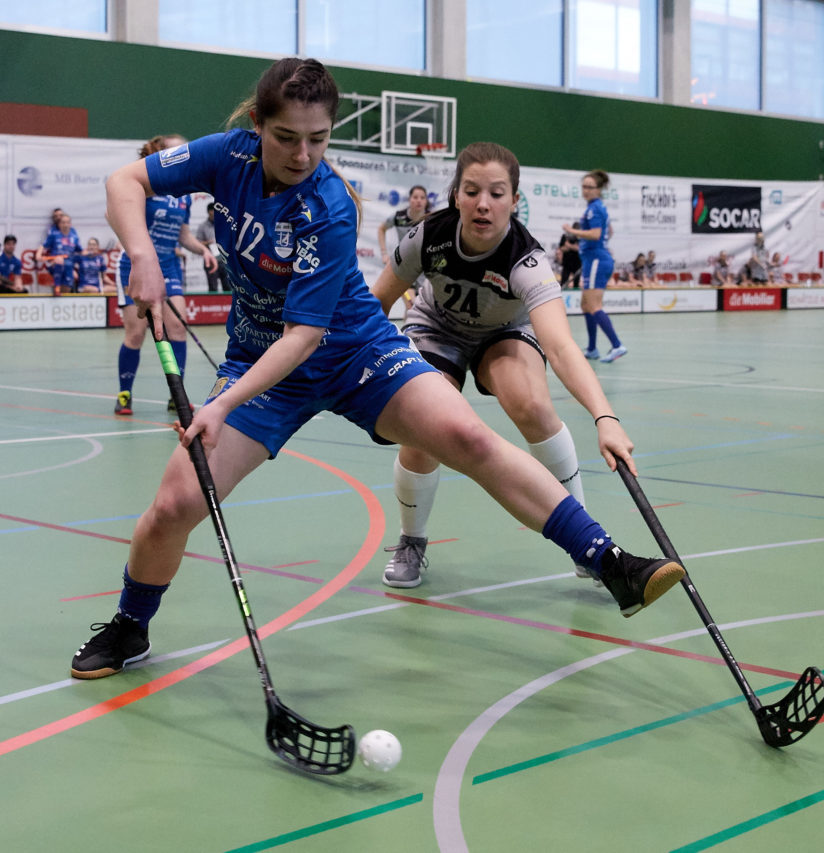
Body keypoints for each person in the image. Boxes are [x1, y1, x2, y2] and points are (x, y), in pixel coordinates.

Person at [69, 58, 682, 679]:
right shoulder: (226, 156)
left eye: (319, 139)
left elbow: (305, 336)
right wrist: (141, 254)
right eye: (286, 137)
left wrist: (221, 404)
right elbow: (126, 182)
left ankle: (611, 563)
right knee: (176, 503)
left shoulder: (330, 206)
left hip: (356, 351)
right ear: (257, 125)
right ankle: (130, 627)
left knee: (467, 435)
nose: (303, 154)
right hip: (260, 364)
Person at [370, 141, 638, 587]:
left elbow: (562, 347)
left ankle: (586, 537)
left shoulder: (527, 260)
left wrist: (604, 417)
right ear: (455, 195)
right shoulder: (426, 236)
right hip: (437, 327)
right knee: (423, 427)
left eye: (497, 193)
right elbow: (375, 303)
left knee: (531, 404)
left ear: (515, 202)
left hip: (503, 332)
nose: (483, 203)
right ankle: (411, 540)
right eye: (471, 190)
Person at [112, 133, 218, 416]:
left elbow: (183, 235)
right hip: (137, 267)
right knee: (136, 334)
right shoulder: (144, 186)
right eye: (179, 150)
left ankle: (177, 395)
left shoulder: (183, 197)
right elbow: (120, 219)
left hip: (169, 266)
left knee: (177, 329)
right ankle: (125, 394)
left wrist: (203, 251)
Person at [563, 170, 626, 363]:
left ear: (598, 190)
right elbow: (609, 231)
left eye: (590, 187)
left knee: (594, 305)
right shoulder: (595, 208)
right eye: (584, 186)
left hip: (597, 259)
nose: (586, 190)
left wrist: (572, 231)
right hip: (592, 259)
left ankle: (617, 345)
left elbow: (597, 234)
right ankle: (592, 349)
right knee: (585, 304)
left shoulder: (595, 208)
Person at [376, 185, 429, 259]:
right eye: (415, 197)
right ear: (409, 199)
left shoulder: (432, 218)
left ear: (426, 201)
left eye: (422, 198)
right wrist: (384, 253)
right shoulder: (399, 216)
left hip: (424, 261)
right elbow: (381, 229)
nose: (419, 200)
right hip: (403, 261)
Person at [37, 212, 81, 295]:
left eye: (67, 222)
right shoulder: (54, 235)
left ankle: (61, 298)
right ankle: (57, 287)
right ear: (59, 224)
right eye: (63, 222)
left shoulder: (74, 237)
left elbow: (80, 251)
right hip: (54, 263)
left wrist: (91, 252)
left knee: (66, 289)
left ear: (70, 224)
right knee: (59, 261)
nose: (65, 225)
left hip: (68, 265)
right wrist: (38, 255)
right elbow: (43, 246)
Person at [194, 201, 225, 292]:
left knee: (228, 286)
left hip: (224, 260)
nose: (215, 214)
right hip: (210, 260)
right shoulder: (202, 226)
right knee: (213, 288)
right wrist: (208, 242)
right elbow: (197, 243)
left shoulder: (222, 224)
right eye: (213, 212)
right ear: (209, 212)